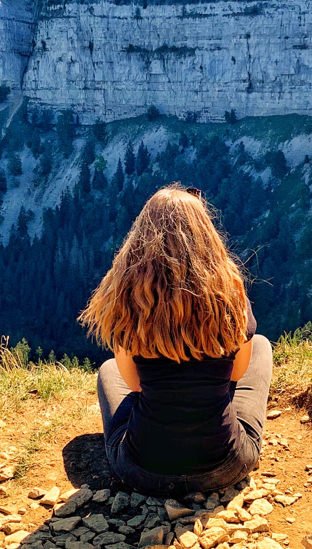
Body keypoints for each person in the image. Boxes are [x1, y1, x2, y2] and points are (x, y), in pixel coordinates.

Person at [79, 183, 272, 497]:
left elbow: (136, 385)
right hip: (225, 465)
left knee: (108, 370)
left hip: (143, 471)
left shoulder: (128, 300)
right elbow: (236, 374)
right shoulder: (230, 293)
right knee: (260, 345)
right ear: (206, 234)